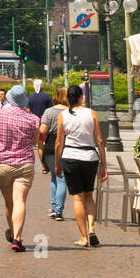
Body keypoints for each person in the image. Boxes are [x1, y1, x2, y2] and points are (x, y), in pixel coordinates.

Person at [0, 83, 41, 251]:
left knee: (9, 202)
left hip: (3, 163)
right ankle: (17, 238)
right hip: (24, 163)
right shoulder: (33, 119)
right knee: (20, 201)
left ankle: (13, 234)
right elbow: (35, 142)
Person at [54, 83, 108, 248]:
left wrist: (57, 163)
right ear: (80, 97)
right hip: (89, 157)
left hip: (71, 157)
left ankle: (84, 237)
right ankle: (92, 228)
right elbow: (99, 140)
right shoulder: (91, 113)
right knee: (89, 195)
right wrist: (103, 164)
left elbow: (58, 142)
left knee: (77, 197)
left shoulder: (63, 115)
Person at [38, 86, 70, 220]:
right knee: (62, 178)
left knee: (54, 177)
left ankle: (54, 207)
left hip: (51, 146)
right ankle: (58, 210)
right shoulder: (71, 112)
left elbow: (43, 130)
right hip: (68, 145)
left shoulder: (49, 111)